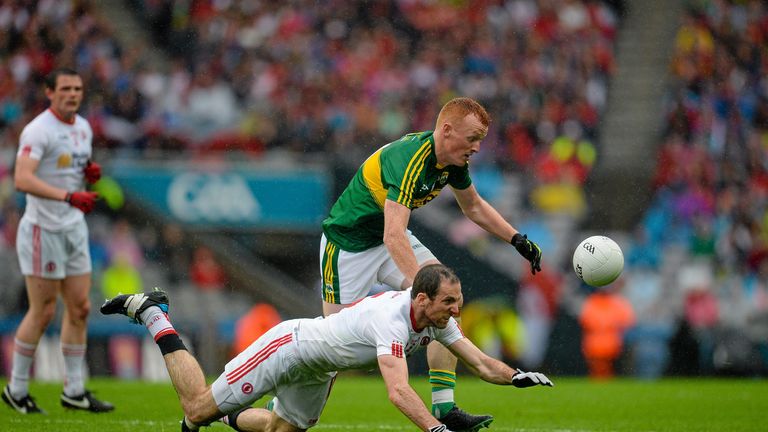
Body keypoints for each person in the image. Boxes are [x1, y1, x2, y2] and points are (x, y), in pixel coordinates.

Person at [100, 264, 553, 432]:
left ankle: (232, 415)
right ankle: (154, 313)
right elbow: (398, 393)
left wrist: (515, 377)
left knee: (280, 431)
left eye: (458, 301)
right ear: (422, 299)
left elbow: (479, 362)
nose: (458, 310)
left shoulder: (435, 320)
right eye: (450, 302)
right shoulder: (393, 320)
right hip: (289, 347)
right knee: (196, 409)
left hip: (318, 370)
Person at [320, 97, 542, 429]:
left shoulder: (453, 160)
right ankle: (282, 413)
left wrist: (516, 239)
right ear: (447, 130)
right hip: (347, 248)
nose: (478, 147)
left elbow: (474, 206)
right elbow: (393, 235)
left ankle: (444, 406)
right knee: (330, 351)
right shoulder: (410, 160)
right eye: (473, 138)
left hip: (388, 238)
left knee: (448, 299)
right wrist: (422, 289)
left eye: (480, 139)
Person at [2, 68, 113, 414]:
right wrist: (68, 196)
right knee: (45, 310)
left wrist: (89, 173)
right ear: (50, 92)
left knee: (79, 308)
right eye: (65, 88)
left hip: (73, 227)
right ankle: (17, 390)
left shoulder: (82, 127)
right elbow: (22, 179)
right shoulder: (38, 130)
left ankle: (74, 390)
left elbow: (72, 167)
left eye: (78, 88)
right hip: (42, 230)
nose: (73, 94)